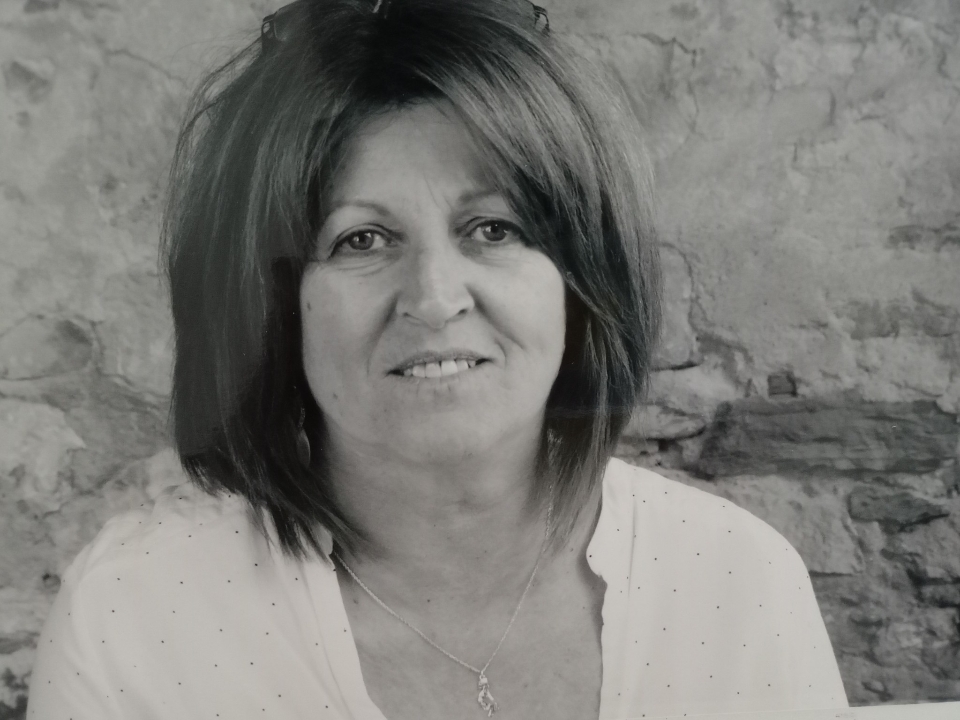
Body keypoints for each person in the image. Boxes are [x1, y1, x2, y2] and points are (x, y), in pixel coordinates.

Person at [27, 1, 849, 718]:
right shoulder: (135, 619)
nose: (433, 296)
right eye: (362, 239)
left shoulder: (737, 587)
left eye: (494, 229)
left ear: (582, 276)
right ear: (268, 306)